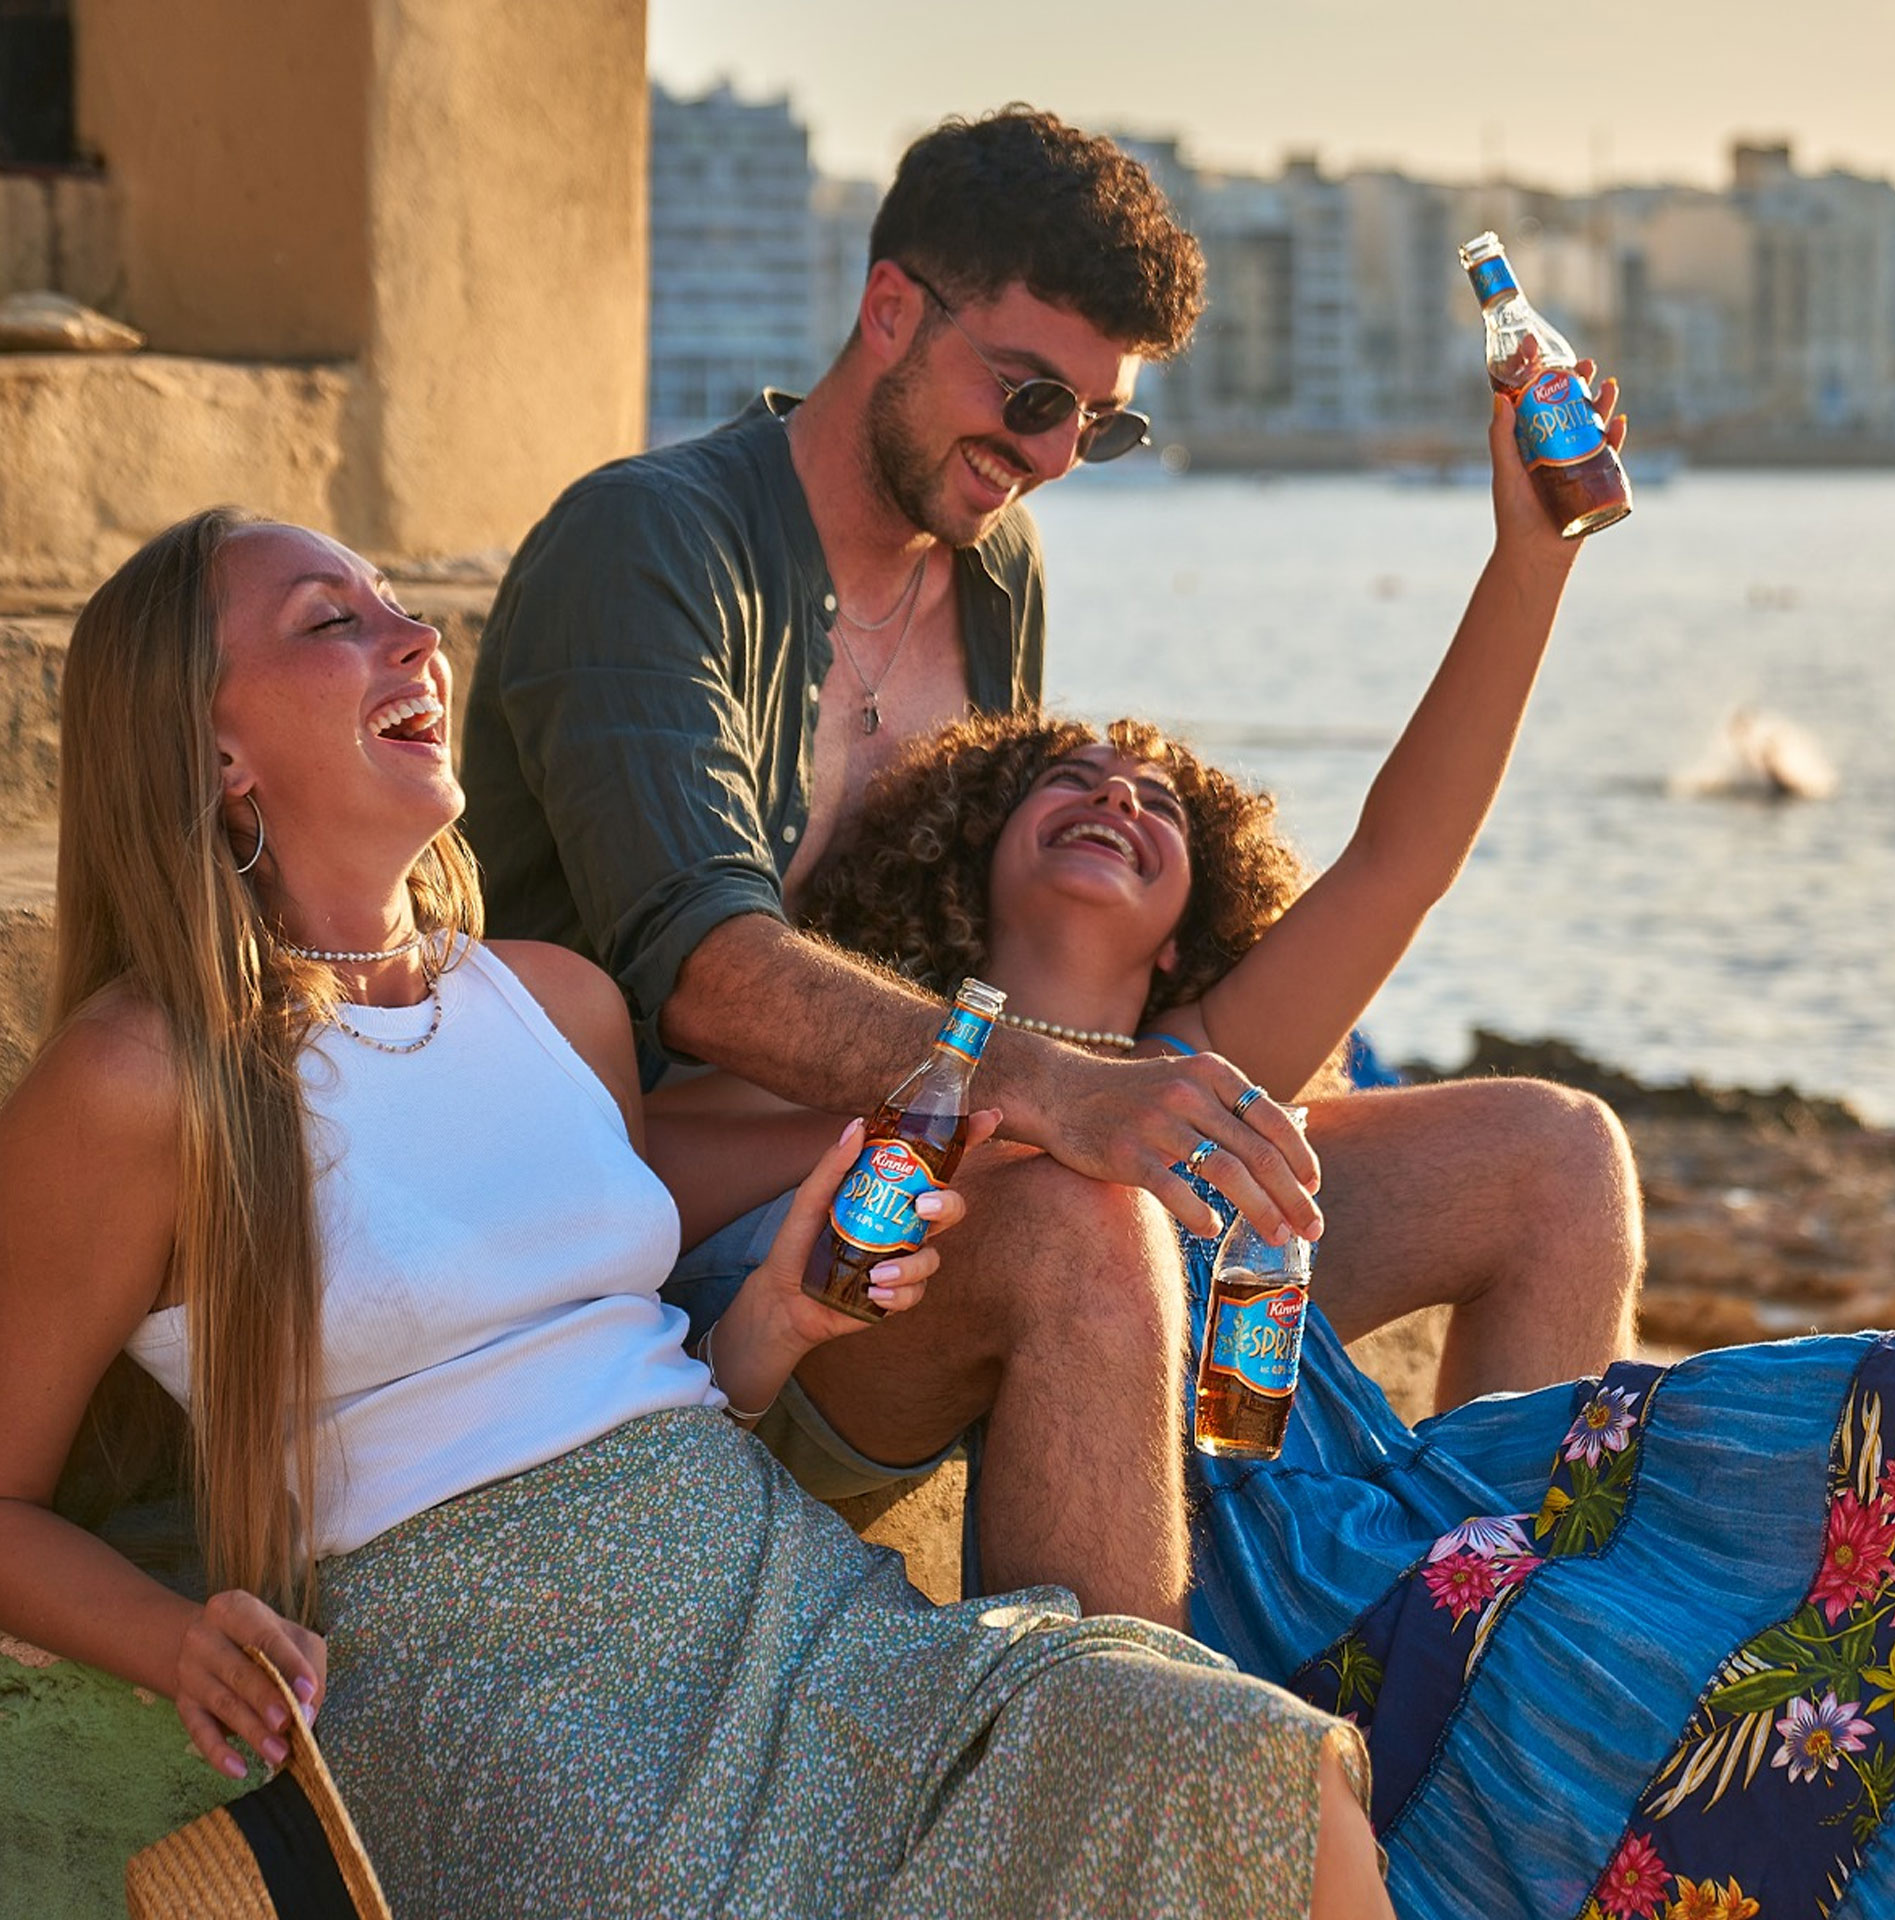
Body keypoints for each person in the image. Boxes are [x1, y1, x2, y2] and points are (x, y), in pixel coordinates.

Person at [0, 510, 1394, 1918]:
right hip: (499, 1703)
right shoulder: (144, 1077)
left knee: (1263, 1770)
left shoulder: (554, 1002)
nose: (415, 637)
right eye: (331, 622)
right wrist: (171, 1638)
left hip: (777, 1594)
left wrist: (768, 1324)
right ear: (215, 753)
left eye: (397, 604)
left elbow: (622, 1386)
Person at [461, 105, 1642, 1630]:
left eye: (1100, 424)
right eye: (1031, 396)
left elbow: (1381, 869)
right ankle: (1120, 1762)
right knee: (1092, 1221)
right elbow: (706, 970)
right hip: (698, 1265)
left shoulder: (992, 563)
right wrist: (1048, 1097)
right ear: (892, 309)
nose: (1053, 458)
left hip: (982, 1170)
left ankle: (1504, 1665)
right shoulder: (652, 546)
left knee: (1553, 1157)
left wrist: (1531, 554)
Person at [797, 593, 1895, 1914]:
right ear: (967, 861)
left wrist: (1531, 559)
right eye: (1069, 779)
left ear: (1184, 931)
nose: (1117, 794)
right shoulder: (916, 1078)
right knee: (1603, 1670)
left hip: (1386, 1516)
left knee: (1880, 1429)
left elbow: (1403, 856)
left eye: (1159, 803)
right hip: (1254, 1592)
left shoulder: (1206, 1059)